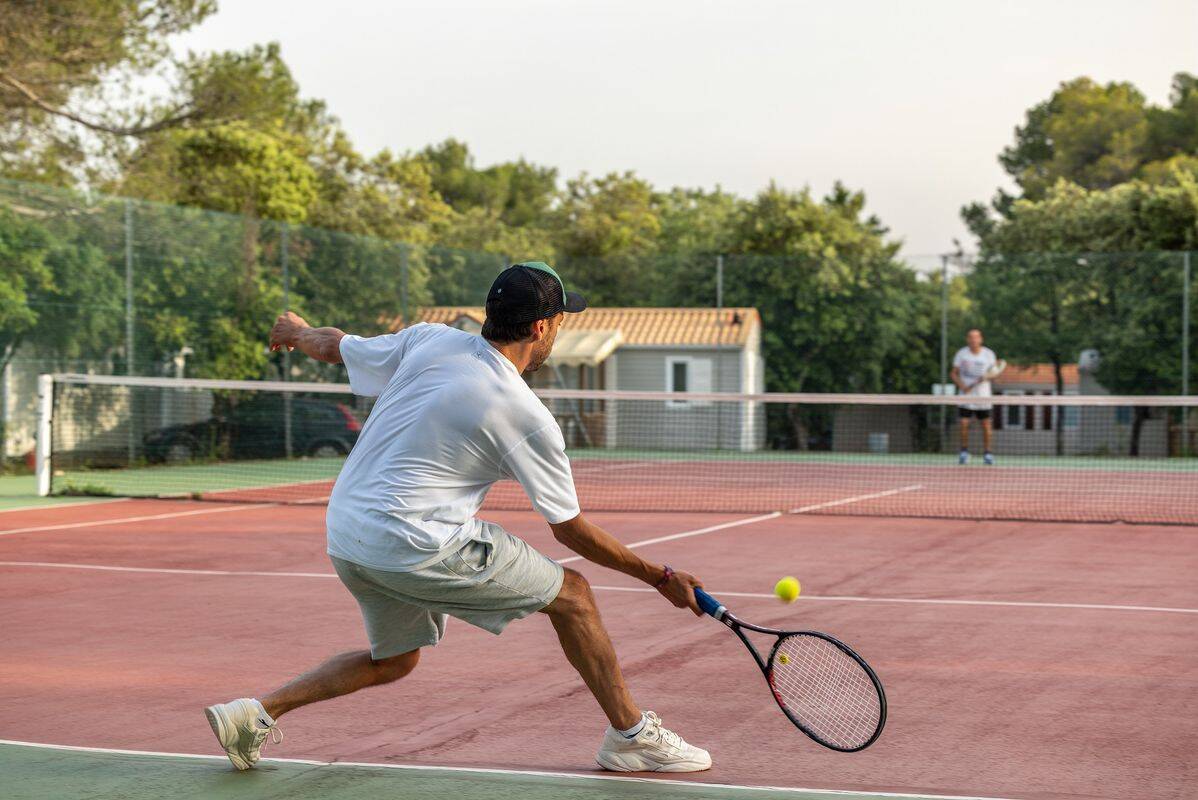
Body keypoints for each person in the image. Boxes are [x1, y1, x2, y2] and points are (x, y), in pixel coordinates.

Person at [204, 261, 712, 774]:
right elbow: (570, 529)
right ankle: (631, 736)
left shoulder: (431, 340)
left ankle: (255, 714)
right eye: (561, 319)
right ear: (541, 327)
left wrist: (296, 331)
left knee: (395, 660)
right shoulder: (524, 413)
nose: (560, 328)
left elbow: (336, 346)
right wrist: (659, 576)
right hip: (414, 542)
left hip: (348, 535)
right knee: (574, 596)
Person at [951, 328, 998, 465]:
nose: (973, 340)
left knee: (986, 425)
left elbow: (994, 374)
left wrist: (989, 377)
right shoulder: (961, 354)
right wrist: (962, 385)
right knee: (964, 423)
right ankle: (964, 452)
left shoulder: (988, 354)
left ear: (980, 339)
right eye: (971, 337)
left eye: (976, 337)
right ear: (967, 339)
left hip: (983, 397)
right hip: (965, 397)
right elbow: (954, 373)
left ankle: (988, 453)